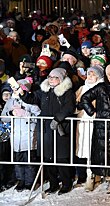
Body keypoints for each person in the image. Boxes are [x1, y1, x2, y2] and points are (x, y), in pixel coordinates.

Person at [19, 67, 76, 195]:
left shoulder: (67, 92)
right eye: (50, 77)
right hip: (46, 130)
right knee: (48, 158)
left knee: (61, 158)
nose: (51, 80)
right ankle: (53, 183)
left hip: (60, 129)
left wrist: (58, 119)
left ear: (60, 79)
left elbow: (69, 107)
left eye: (54, 77)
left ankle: (66, 183)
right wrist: (23, 94)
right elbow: (33, 99)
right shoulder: (44, 91)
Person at [80, 63, 110, 194]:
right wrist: (93, 112)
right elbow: (84, 98)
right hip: (102, 126)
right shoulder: (101, 87)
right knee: (105, 153)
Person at [1, 78, 40, 191]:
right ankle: (21, 180)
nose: (15, 90)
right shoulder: (10, 101)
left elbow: (39, 116)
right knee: (17, 161)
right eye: (13, 88)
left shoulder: (31, 101)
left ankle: (30, 182)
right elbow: (4, 117)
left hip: (28, 135)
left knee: (29, 161)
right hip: (16, 136)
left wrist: (26, 113)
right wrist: (11, 113)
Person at [75, 65, 104, 190]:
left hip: (95, 122)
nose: (90, 76)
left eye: (93, 74)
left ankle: (91, 175)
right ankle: (85, 174)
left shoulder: (101, 88)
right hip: (82, 122)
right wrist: (79, 106)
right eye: (89, 73)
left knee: (93, 149)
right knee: (83, 149)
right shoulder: (82, 88)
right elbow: (75, 104)